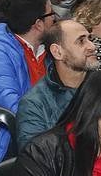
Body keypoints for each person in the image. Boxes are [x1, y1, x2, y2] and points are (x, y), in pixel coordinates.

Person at [0, 0, 55, 163]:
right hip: (1, 139)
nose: (56, 19)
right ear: (38, 24)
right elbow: (14, 107)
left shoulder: (47, 48)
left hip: (37, 131)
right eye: (51, 14)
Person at [15, 19, 96, 147]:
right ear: (57, 52)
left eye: (89, 39)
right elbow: (33, 157)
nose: (92, 46)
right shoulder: (35, 103)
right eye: (81, 41)